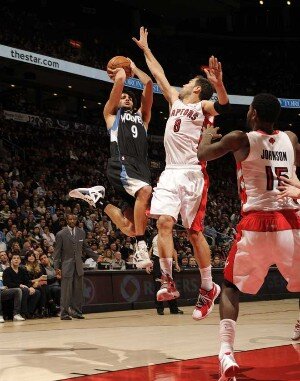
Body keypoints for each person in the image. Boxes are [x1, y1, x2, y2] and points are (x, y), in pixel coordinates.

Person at [197, 93, 300, 380]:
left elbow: (202, 155)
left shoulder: (240, 138)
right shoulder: (290, 138)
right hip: (291, 222)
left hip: (256, 222)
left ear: (253, 113)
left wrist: (206, 135)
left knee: (230, 286)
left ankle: (227, 352)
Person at [132, 26, 230, 318]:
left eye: (189, 81)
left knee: (194, 232)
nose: (184, 83)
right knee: (163, 222)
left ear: (197, 88)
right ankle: (168, 282)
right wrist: (146, 50)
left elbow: (223, 105)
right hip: (170, 172)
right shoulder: (174, 101)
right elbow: (159, 74)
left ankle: (208, 287)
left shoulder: (202, 106)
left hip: (192, 173)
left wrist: (220, 85)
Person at [69, 46, 153, 271]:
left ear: (134, 103)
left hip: (140, 168)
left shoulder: (143, 119)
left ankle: (99, 200)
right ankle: (141, 245)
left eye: (128, 97)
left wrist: (134, 67)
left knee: (130, 227)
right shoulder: (111, 115)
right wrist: (121, 75)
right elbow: (117, 89)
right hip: (122, 163)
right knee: (146, 192)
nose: (125, 98)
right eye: (122, 97)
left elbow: (148, 85)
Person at [53, 214, 101, 320]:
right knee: (66, 291)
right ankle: (64, 313)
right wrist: (57, 268)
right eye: (70, 219)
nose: (72, 220)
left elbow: (86, 248)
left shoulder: (81, 232)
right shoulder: (61, 234)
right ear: (66, 220)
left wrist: (96, 257)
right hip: (66, 265)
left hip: (78, 265)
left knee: (78, 291)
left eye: (74, 219)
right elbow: (56, 253)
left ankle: (77, 312)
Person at [149, 233, 183, 315]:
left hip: (168, 260)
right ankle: (159, 309)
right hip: (157, 260)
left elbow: (173, 250)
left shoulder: (169, 236)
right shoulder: (154, 237)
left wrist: (177, 264)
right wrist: (148, 264)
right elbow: (150, 250)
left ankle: (174, 309)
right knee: (158, 284)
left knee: (171, 285)